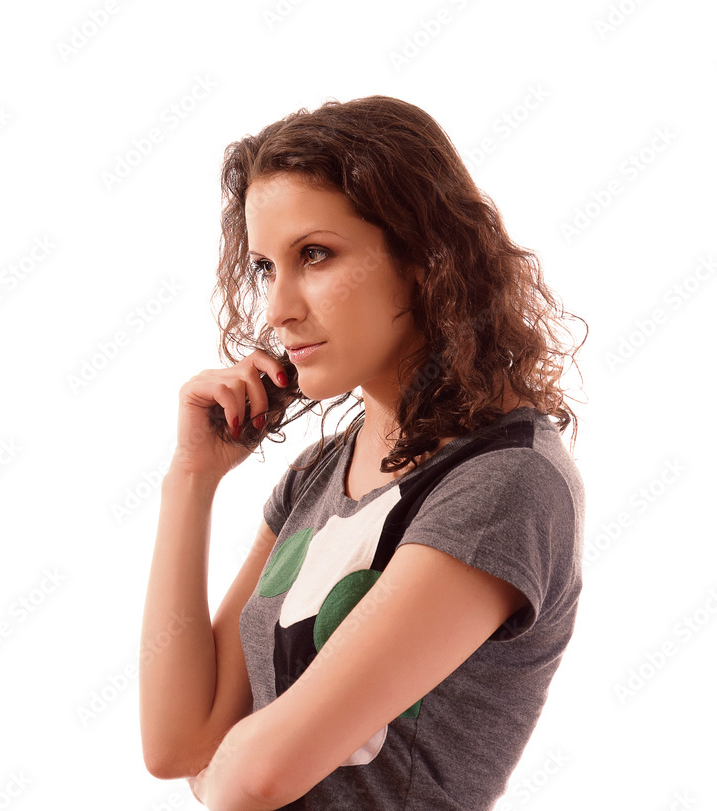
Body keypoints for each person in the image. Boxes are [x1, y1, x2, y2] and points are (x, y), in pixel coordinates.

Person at [139, 95, 587, 810]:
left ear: (425, 257)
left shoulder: (505, 483)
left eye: (314, 255)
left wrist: (229, 766)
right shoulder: (318, 473)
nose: (278, 308)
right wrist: (189, 481)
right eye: (265, 266)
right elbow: (176, 744)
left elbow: (253, 780)